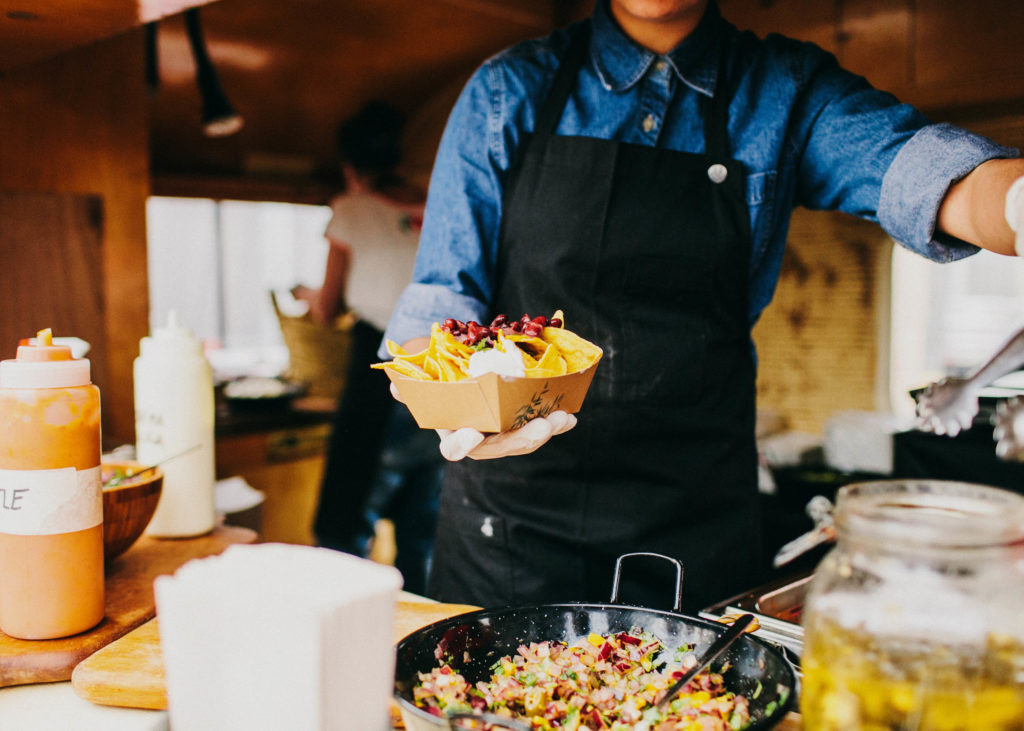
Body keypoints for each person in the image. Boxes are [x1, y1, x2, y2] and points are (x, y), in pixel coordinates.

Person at [381, 0, 1024, 612]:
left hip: (691, 523)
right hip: (513, 519)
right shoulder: (508, 89)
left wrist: (1014, 204)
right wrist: (455, 401)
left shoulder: (784, 88)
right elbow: (443, 292)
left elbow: (920, 171)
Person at [302, 101, 444, 595]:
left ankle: (345, 618)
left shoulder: (350, 209)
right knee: (425, 515)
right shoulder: (436, 208)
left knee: (347, 513)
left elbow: (326, 307)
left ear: (349, 165)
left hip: (377, 365)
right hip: (438, 368)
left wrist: (305, 298)